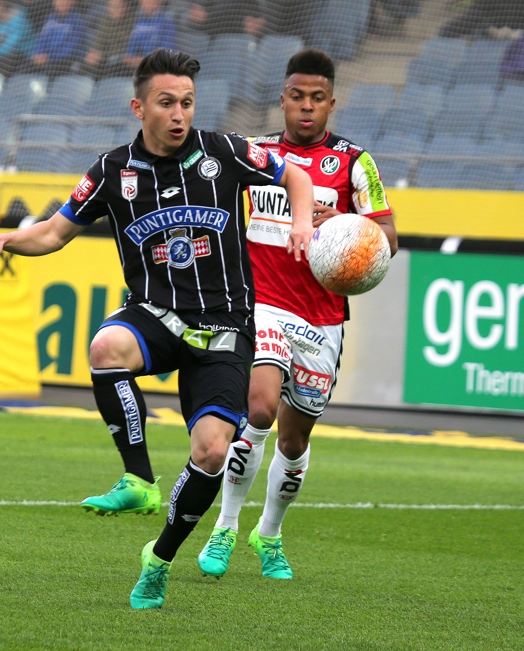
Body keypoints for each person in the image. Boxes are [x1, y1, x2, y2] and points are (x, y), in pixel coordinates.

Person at [0, 48, 315, 609]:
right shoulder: (112, 170)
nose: (180, 114)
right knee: (107, 345)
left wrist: (300, 223)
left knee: (212, 452)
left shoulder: (223, 151)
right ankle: (139, 481)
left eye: (188, 103)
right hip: (156, 314)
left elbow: (294, 175)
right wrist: (5, 239)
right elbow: (54, 233)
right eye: (167, 103)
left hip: (225, 325)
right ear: (139, 106)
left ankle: (160, 558)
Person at [196, 49, 397, 580]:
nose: (306, 108)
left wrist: (348, 226)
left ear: (332, 103)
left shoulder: (356, 162)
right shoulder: (256, 153)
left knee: (293, 439)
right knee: (258, 409)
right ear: (282, 100)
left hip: (323, 319)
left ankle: (269, 534)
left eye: (317, 99)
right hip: (260, 305)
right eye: (296, 98)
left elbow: (390, 239)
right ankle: (225, 527)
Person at [28, 0, 87, 76]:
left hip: (64, 60)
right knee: (24, 67)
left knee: (51, 70)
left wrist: (49, 57)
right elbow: (42, 39)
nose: (60, 3)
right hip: (46, 58)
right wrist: (38, 53)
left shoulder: (77, 20)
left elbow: (71, 46)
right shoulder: (50, 18)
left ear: (71, 2)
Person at [81, 0, 136, 78]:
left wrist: (102, 55)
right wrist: (94, 52)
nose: (113, 9)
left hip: (122, 61)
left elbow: (126, 48)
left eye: (117, 6)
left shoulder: (132, 21)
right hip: (105, 61)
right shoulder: (105, 20)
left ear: (126, 7)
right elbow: (99, 43)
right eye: (111, 6)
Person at [124, 0, 176, 68]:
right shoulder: (138, 21)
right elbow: (129, 54)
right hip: (136, 67)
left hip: (158, 67)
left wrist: (146, 60)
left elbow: (169, 53)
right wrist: (132, 59)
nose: (147, 2)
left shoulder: (166, 21)